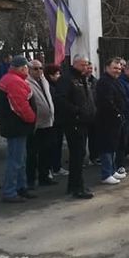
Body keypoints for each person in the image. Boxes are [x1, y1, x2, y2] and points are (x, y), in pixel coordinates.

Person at [0, 55, 36, 203]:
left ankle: (20, 187)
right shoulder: (14, 81)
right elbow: (20, 105)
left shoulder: (9, 79)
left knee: (20, 159)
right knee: (16, 160)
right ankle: (10, 191)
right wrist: (32, 118)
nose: (28, 70)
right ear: (23, 68)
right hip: (17, 126)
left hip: (15, 126)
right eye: (27, 68)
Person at [56, 55, 96, 199]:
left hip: (84, 121)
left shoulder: (83, 78)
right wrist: (77, 111)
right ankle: (78, 188)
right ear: (75, 64)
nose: (86, 67)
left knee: (79, 154)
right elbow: (60, 99)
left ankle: (74, 184)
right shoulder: (67, 79)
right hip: (73, 122)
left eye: (87, 64)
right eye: (83, 65)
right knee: (77, 154)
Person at [25, 59, 57, 188]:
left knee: (46, 151)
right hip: (35, 124)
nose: (38, 71)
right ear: (29, 70)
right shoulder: (27, 82)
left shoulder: (44, 81)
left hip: (48, 122)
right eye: (35, 69)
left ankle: (44, 176)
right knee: (32, 153)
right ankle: (30, 179)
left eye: (40, 68)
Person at [96, 58, 127, 185]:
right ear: (107, 68)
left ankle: (112, 170)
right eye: (115, 68)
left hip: (116, 119)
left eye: (119, 68)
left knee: (113, 145)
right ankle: (106, 173)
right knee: (107, 146)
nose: (117, 71)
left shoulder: (115, 80)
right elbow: (107, 101)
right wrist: (117, 113)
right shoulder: (104, 82)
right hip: (107, 120)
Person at [45, 64, 68, 176]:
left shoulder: (57, 86)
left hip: (59, 119)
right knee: (52, 145)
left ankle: (56, 167)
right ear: (50, 75)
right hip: (52, 120)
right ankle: (51, 168)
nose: (59, 76)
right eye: (57, 74)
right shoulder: (49, 87)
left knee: (57, 144)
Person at [84, 59, 99, 166]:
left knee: (94, 137)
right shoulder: (80, 81)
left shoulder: (95, 81)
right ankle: (82, 159)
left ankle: (94, 157)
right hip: (84, 113)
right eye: (88, 68)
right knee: (82, 139)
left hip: (94, 112)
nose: (89, 70)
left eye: (91, 68)